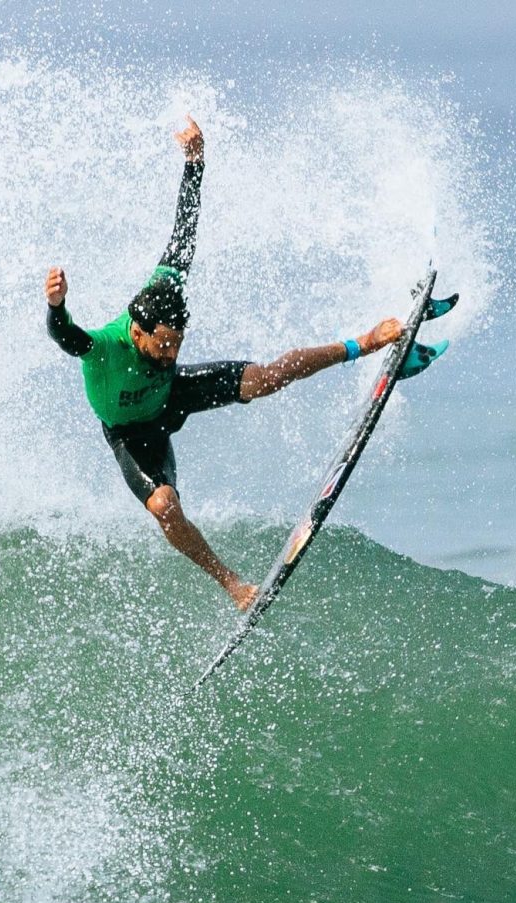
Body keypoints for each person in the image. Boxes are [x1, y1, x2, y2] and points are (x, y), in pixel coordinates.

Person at [45, 116, 403, 611]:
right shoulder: (106, 344)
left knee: (264, 378)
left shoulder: (167, 290)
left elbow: (183, 230)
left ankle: (361, 343)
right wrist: (57, 307)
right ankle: (234, 586)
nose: (173, 353)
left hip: (171, 397)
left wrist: (195, 162)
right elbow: (66, 337)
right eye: (164, 345)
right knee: (165, 507)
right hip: (132, 433)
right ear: (137, 331)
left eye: (178, 343)